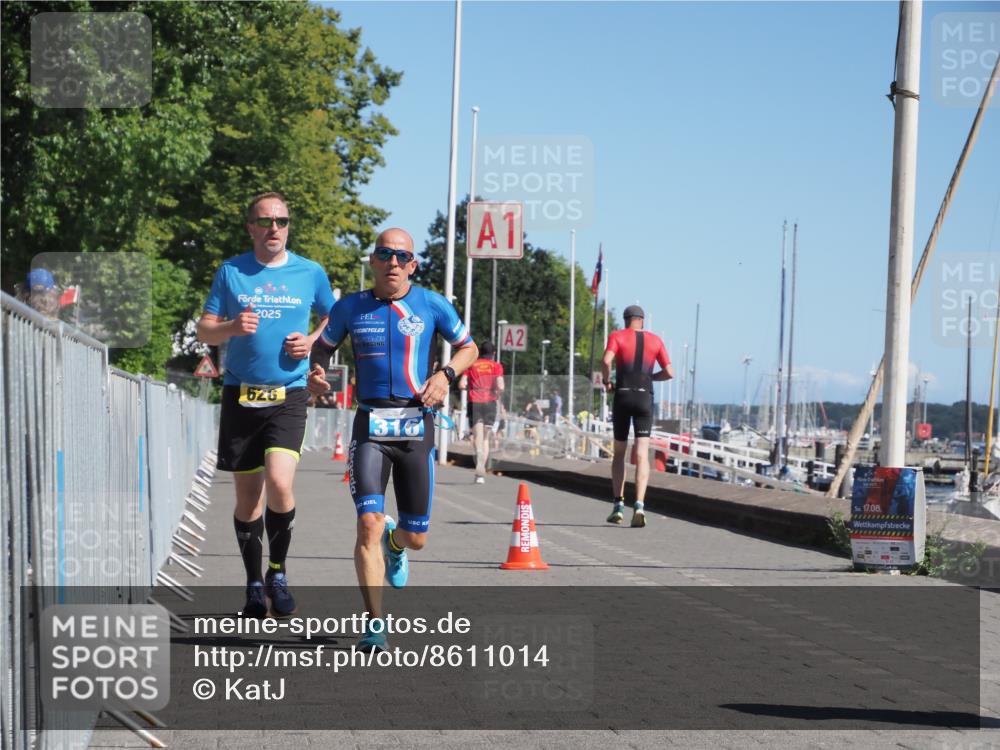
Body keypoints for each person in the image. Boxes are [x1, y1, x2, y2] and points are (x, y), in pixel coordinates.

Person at [308, 227, 477, 652]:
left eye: (402, 256)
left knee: (416, 537)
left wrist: (445, 374)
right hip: (370, 426)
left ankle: (396, 542)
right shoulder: (350, 308)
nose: (394, 263)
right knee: (366, 521)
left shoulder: (431, 304)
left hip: (417, 426)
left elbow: (469, 348)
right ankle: (374, 625)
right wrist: (316, 372)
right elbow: (322, 348)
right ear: (373, 261)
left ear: (413, 264)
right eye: (385, 254)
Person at [197, 192, 334, 618]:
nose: (274, 227)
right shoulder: (231, 271)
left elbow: (337, 317)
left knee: (280, 482)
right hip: (241, 395)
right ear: (251, 227)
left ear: (288, 226)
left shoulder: (309, 272)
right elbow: (205, 330)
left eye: (282, 220)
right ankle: (254, 584)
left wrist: (311, 343)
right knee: (248, 501)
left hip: (288, 395)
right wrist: (233, 327)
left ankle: (278, 571)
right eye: (266, 221)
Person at [601, 305, 673, 528]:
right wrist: (651, 378)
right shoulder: (655, 340)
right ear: (642, 320)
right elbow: (670, 372)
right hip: (644, 398)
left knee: (619, 454)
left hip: (622, 395)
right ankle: (639, 505)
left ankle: (618, 505)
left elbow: (606, 361)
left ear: (626, 320)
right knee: (642, 454)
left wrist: (607, 382)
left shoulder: (617, 336)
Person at [458, 340, 504, 484]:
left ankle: (478, 461)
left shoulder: (472, 365)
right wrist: (496, 394)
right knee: (485, 438)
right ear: (493, 353)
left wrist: (469, 388)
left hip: (475, 401)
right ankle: (481, 470)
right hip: (490, 402)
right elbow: (501, 386)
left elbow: (461, 384)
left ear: (480, 352)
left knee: (477, 436)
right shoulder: (496, 366)